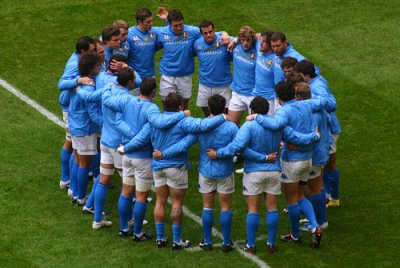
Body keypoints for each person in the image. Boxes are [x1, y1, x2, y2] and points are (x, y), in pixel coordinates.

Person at [210, 96, 320, 253]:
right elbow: (295, 137)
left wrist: (218, 153)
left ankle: (251, 245)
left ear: (252, 111)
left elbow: (237, 147)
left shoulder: (248, 126)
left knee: (253, 209)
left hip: (254, 173)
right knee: (272, 208)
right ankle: (271, 243)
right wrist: (314, 136)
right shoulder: (277, 125)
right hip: (274, 172)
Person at [118, 92, 228, 250]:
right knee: (176, 204)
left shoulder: (154, 122)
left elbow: (140, 139)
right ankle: (177, 241)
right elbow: (203, 126)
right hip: (176, 168)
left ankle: (160, 238)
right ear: (180, 107)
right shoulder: (184, 121)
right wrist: (222, 116)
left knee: (160, 202)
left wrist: (125, 149)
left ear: (164, 106)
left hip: (158, 167)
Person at [104, 78, 189, 239]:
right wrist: (181, 114)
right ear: (154, 92)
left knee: (126, 192)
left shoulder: (127, 100)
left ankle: (124, 228)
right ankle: (137, 232)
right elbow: (160, 122)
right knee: (141, 196)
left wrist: (108, 88)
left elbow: (116, 116)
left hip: (126, 156)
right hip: (142, 158)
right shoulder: (152, 109)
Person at [248, 81, 325, 248]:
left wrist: (257, 116)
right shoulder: (305, 105)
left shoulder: (283, 112)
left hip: (292, 161)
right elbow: (317, 116)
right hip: (307, 159)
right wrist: (313, 137)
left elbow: (277, 126)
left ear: (277, 97)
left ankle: (297, 235)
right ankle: (315, 226)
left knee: (292, 199)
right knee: (301, 195)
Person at [292, 60, 341, 207]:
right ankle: (326, 195)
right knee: (323, 166)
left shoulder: (317, 86)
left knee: (329, 165)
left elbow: (331, 105)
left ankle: (333, 198)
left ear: (305, 74)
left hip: (329, 130)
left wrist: (312, 102)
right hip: (325, 128)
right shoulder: (315, 82)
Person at [194, 94, 238, 252]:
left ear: (209, 108)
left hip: (206, 171)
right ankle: (226, 243)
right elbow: (237, 147)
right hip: (225, 171)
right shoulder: (232, 127)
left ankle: (207, 242)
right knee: (225, 206)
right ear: (224, 108)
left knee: (207, 206)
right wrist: (220, 153)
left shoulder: (202, 125)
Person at [57, 36, 96, 191]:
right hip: (71, 109)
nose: (94, 54)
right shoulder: (75, 64)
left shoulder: (79, 59)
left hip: (73, 107)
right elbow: (61, 84)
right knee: (73, 145)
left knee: (74, 147)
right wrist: (79, 81)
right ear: (82, 52)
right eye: (91, 51)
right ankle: (67, 181)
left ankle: (70, 183)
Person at [293, 82, 330, 230]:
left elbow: (313, 135)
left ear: (299, 96)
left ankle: (321, 222)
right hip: (320, 151)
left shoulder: (311, 112)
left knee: (315, 187)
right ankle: (317, 218)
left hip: (315, 154)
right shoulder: (317, 107)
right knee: (316, 186)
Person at [68, 52, 102, 205]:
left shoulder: (78, 84)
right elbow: (92, 114)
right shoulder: (88, 88)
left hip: (75, 126)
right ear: (91, 68)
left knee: (77, 159)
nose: (99, 67)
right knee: (84, 163)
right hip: (85, 130)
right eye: (97, 65)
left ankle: (75, 193)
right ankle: (81, 197)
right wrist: (105, 124)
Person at [194, 21, 232, 117]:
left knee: (225, 114)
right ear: (201, 34)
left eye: (210, 32)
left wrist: (224, 33)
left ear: (214, 30)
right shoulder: (197, 44)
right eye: (205, 33)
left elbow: (240, 40)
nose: (209, 35)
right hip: (204, 84)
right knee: (207, 113)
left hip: (223, 85)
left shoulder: (225, 40)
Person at [228, 26, 257, 125]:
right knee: (231, 125)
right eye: (243, 40)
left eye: (248, 40)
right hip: (237, 93)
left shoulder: (258, 51)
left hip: (252, 95)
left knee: (254, 127)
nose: (245, 43)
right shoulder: (236, 46)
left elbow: (263, 37)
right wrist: (235, 40)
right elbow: (222, 35)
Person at [252, 30, 280, 116]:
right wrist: (234, 40)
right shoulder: (259, 48)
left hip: (268, 99)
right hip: (256, 95)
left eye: (264, 42)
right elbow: (245, 35)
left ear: (270, 45)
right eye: (261, 40)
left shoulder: (276, 61)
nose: (260, 43)